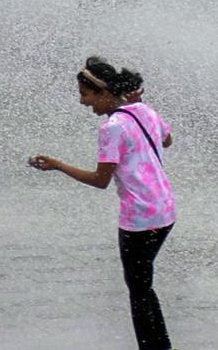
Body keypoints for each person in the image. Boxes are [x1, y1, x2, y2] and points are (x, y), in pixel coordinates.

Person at [30, 56, 177, 350]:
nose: (84, 103)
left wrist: (58, 165)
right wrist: (141, 106)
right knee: (143, 287)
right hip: (165, 209)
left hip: (139, 217)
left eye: (86, 95)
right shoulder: (143, 109)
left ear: (105, 93)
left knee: (138, 291)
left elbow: (100, 180)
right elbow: (168, 140)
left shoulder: (112, 128)